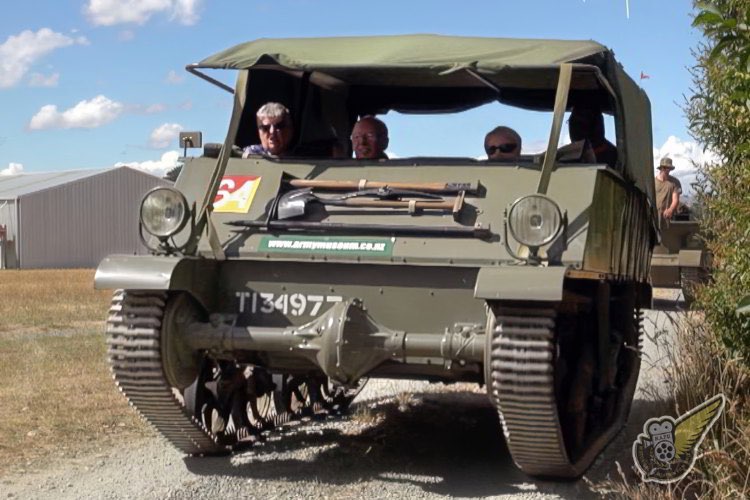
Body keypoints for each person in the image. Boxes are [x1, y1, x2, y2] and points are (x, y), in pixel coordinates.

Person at [655, 156, 682, 225]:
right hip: (654, 216)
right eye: (665, 168)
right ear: (661, 168)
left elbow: (675, 200)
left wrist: (670, 210)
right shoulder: (653, 182)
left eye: (669, 168)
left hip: (666, 217)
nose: (668, 170)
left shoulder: (675, 182)